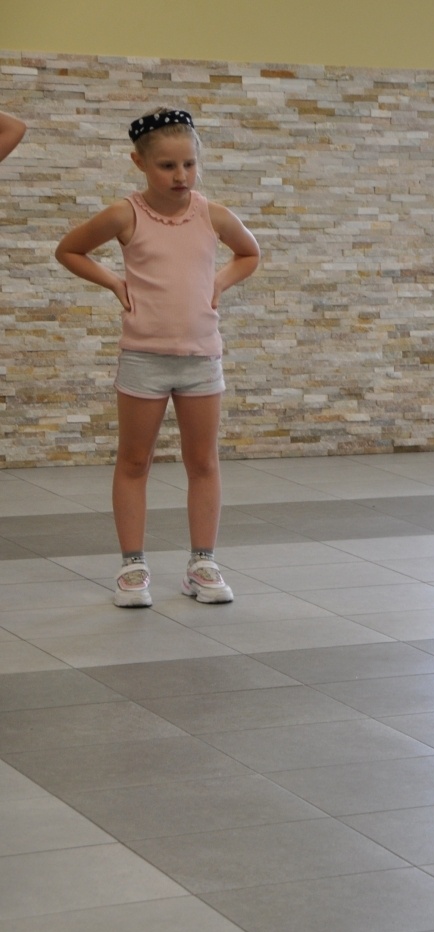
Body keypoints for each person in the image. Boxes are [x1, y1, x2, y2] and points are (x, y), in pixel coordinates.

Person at [55, 108, 260, 608]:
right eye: (167, 166)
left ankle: (202, 563)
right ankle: (132, 566)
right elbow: (70, 250)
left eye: (189, 164)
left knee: (203, 462)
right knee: (133, 461)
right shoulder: (125, 214)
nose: (181, 176)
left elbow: (249, 253)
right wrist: (114, 283)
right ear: (140, 163)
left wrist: (217, 284)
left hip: (201, 359)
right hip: (143, 360)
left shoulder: (212, 215)